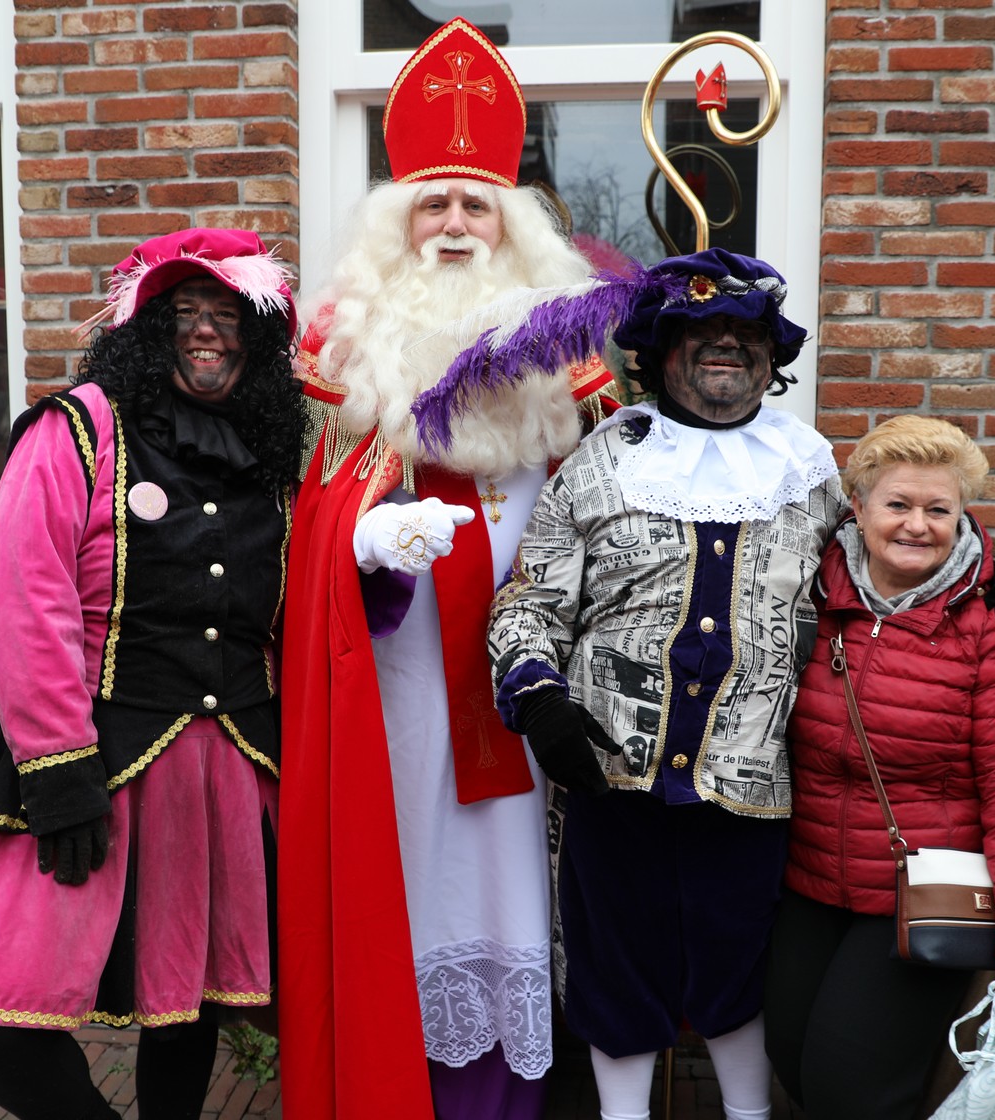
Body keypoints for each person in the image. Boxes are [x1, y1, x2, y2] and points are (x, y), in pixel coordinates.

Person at [277, 18, 621, 1120]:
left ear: (513, 226)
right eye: (434, 205)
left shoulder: (570, 364)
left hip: (527, 704)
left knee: (519, 901)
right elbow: (306, 527)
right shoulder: (342, 355)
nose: (457, 225)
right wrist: (366, 547)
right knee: (407, 898)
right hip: (394, 702)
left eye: (478, 205)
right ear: (398, 225)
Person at [0, 228, 302, 1120]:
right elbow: (28, 602)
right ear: (145, 329)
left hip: (227, 773)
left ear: (255, 335)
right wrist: (58, 770)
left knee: (190, 1000)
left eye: (227, 315)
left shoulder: (277, 455)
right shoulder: (78, 429)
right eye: (184, 312)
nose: (205, 330)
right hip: (84, 759)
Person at [482, 249, 842, 1120]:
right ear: (660, 351)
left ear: (771, 354)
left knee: (739, 963)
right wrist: (539, 697)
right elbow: (529, 601)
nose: (726, 345)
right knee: (616, 964)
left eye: (745, 332)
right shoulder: (599, 461)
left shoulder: (811, 469)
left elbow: (874, 575)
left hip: (754, 778)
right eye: (700, 330)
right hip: (609, 773)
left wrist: (972, 576)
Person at [766, 414, 995, 1120]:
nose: (916, 525)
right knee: (790, 1056)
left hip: (920, 898)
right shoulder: (806, 598)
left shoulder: (987, 634)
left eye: (938, 509)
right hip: (809, 883)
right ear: (858, 507)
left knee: (852, 1089)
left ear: (961, 517)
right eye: (898, 504)